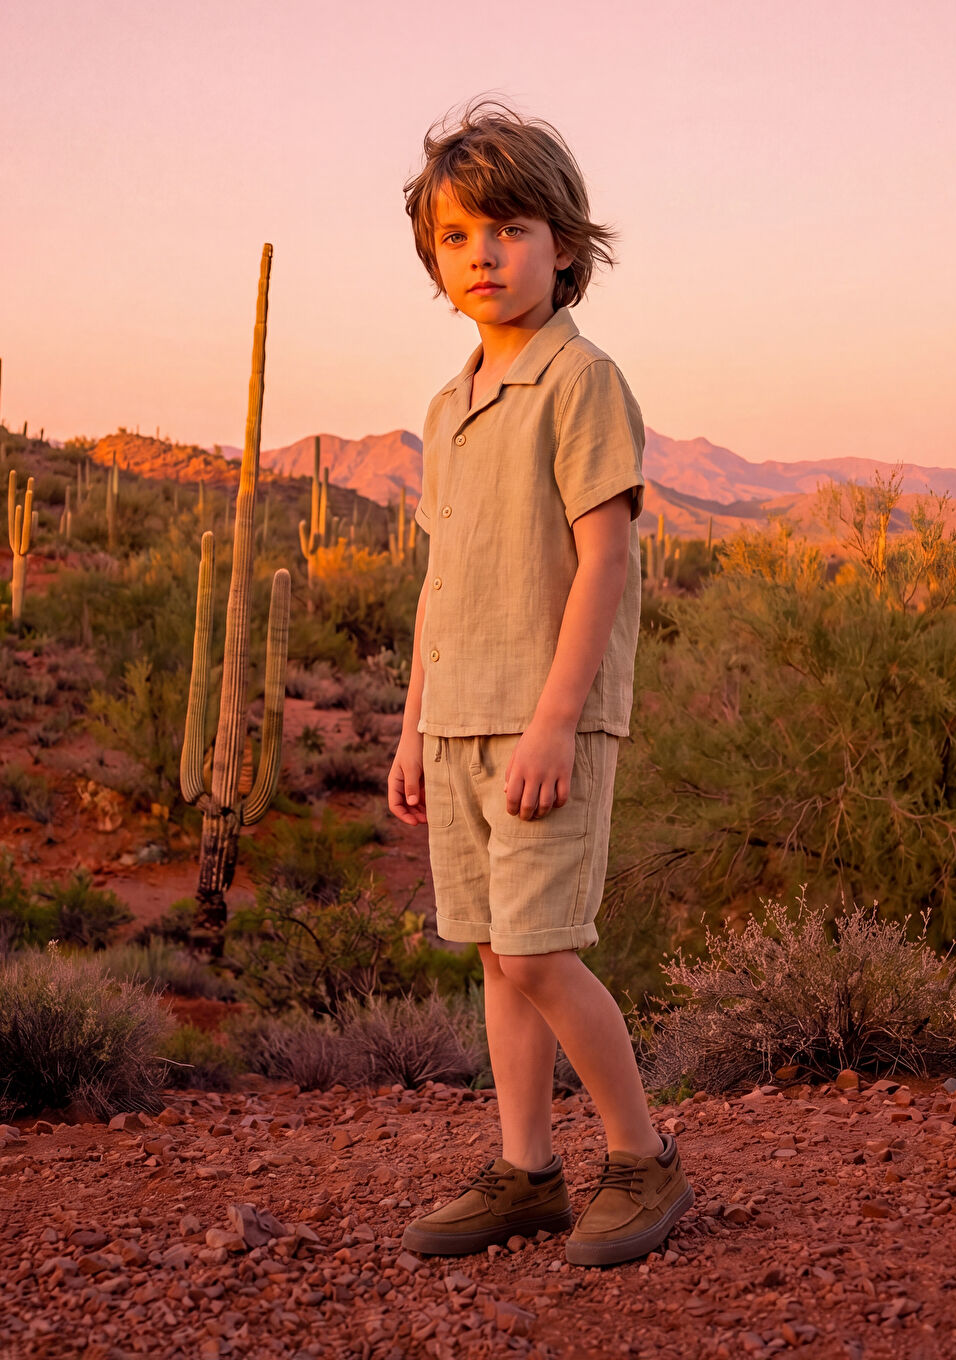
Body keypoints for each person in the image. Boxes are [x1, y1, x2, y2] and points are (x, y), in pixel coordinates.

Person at [387, 97, 694, 1268]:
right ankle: (525, 1171)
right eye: (457, 237)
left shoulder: (582, 382)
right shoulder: (448, 405)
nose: (482, 255)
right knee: (493, 949)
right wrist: (413, 728)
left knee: (539, 948)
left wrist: (557, 720)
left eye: (508, 230)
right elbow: (438, 581)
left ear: (564, 245)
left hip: (542, 716)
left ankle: (643, 1156)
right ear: (434, 258)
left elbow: (606, 553)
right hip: (459, 716)